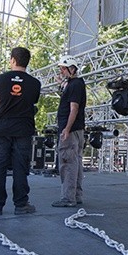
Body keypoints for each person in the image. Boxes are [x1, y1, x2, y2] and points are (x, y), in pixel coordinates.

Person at [0, 46, 41, 216]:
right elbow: (31, 103)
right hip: (23, 129)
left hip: (2, 128)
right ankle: (21, 204)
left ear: (13, 60)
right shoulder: (35, 83)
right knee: (20, 167)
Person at [52, 55, 87, 208]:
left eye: (63, 69)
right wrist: (61, 85)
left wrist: (66, 128)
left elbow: (74, 108)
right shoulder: (75, 85)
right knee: (76, 162)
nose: (61, 72)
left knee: (67, 163)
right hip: (77, 129)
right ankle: (76, 195)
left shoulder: (74, 85)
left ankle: (68, 197)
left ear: (71, 69)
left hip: (70, 130)